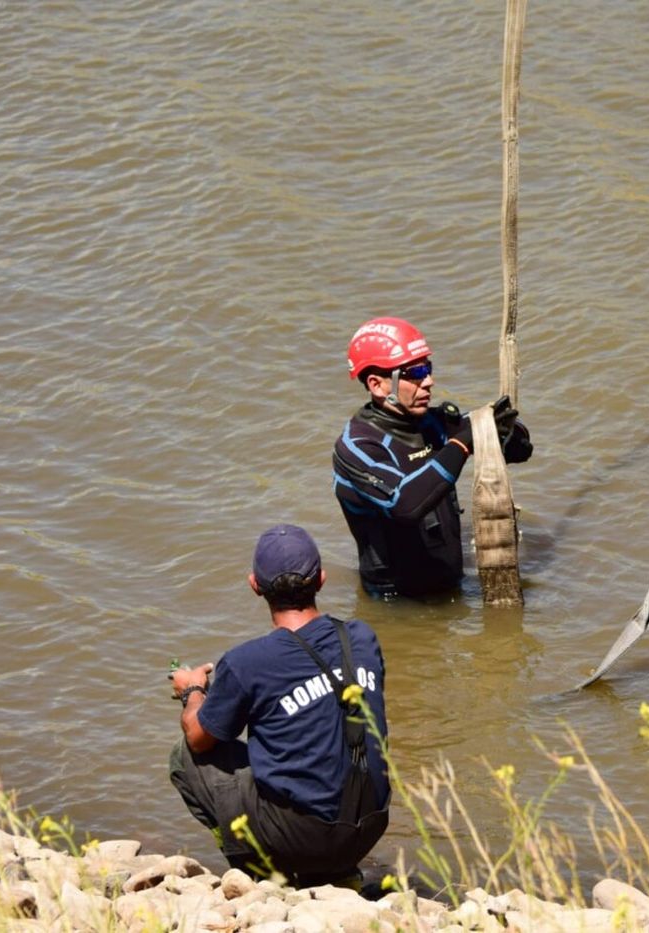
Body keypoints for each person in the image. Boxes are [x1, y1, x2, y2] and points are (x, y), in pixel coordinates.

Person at [169, 524, 390, 886]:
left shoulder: (248, 662)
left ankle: (261, 870)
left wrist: (191, 689)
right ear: (320, 579)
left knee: (185, 757)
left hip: (303, 838)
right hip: (369, 825)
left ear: (254, 585)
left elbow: (197, 737)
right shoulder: (362, 639)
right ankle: (338, 869)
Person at [333, 316, 533, 599]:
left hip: (450, 589)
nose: (429, 381)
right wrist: (462, 443)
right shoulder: (356, 447)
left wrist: (501, 427)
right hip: (397, 606)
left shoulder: (435, 424)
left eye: (427, 368)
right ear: (378, 385)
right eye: (414, 373)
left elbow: (521, 451)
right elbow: (405, 504)